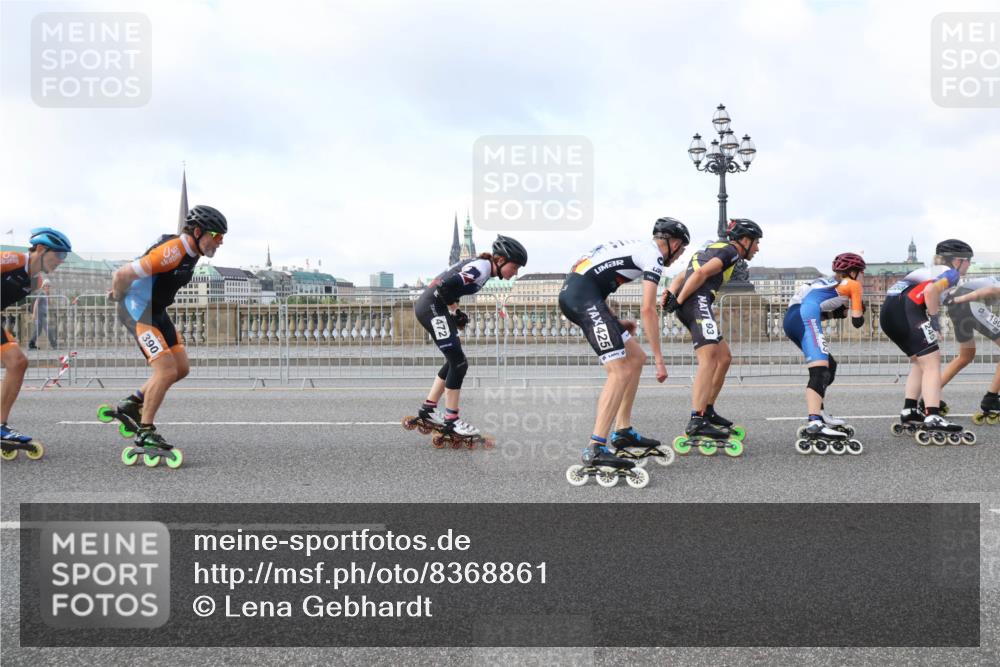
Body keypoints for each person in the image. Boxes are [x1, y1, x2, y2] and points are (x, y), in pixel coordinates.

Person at [561, 217, 690, 487]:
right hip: (582, 297)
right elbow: (648, 309)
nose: (678, 257)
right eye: (681, 251)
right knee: (619, 371)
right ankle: (596, 447)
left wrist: (613, 322)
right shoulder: (653, 255)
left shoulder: (639, 247)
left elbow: (592, 278)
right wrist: (661, 360)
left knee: (635, 358)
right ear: (673, 243)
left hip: (583, 295)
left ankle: (622, 431)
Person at [107, 205, 227, 464]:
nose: (221, 242)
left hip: (157, 311)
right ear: (198, 231)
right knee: (165, 370)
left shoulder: (193, 251)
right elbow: (122, 273)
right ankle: (146, 432)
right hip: (138, 312)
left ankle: (132, 402)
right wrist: (117, 294)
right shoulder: (172, 252)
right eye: (217, 236)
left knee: (181, 368)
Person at [406, 235, 526, 446]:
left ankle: (428, 409)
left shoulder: (482, 268)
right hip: (432, 308)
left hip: (434, 307)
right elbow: (444, 287)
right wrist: (454, 310)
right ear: (499, 260)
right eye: (515, 267)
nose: (516, 272)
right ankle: (451, 420)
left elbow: (449, 287)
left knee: (454, 360)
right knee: (459, 362)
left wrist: (456, 311)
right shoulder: (481, 268)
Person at [662, 218, 762, 455]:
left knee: (724, 357)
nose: (757, 248)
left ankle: (707, 410)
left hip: (696, 302)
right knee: (709, 360)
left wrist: (670, 293)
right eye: (756, 243)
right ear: (745, 240)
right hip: (697, 302)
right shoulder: (730, 252)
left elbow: (682, 274)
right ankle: (697, 420)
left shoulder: (711, 249)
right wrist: (680, 300)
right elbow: (700, 274)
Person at [880, 239, 976, 444]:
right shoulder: (951, 273)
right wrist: (934, 322)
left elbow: (932, 294)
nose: (969, 265)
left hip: (889, 313)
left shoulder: (930, 269)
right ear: (958, 261)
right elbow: (931, 292)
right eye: (968, 261)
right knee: (932, 363)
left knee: (920, 362)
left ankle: (910, 410)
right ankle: (932, 415)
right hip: (907, 312)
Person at [783, 252, 867, 454]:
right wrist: (858, 306)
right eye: (862, 273)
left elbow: (818, 305)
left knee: (830, 365)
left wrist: (836, 312)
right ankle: (814, 422)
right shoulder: (853, 284)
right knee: (820, 371)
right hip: (805, 317)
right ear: (854, 272)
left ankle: (818, 412)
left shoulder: (825, 282)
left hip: (792, 317)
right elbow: (858, 321)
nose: (863, 277)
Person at [1, 228, 72, 457]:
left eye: (65, 257)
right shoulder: (12, 260)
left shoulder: (36, 281)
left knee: (18, 362)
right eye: (59, 255)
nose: (61, 261)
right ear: (41, 249)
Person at [941, 276, 1000, 424]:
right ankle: (991, 399)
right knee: (965, 356)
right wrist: (959, 300)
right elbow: (990, 290)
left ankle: (930, 398)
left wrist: (955, 300)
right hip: (968, 302)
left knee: (966, 356)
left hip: (958, 307)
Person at [29, 278, 58, 349]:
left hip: (43, 315)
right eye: (46, 285)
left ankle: (31, 344)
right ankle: (54, 345)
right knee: (48, 329)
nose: (47, 287)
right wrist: (34, 314)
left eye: (48, 286)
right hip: (39, 315)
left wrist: (48, 295)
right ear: (43, 286)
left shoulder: (45, 294)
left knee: (38, 331)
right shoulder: (41, 293)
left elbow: (49, 304)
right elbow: (36, 303)